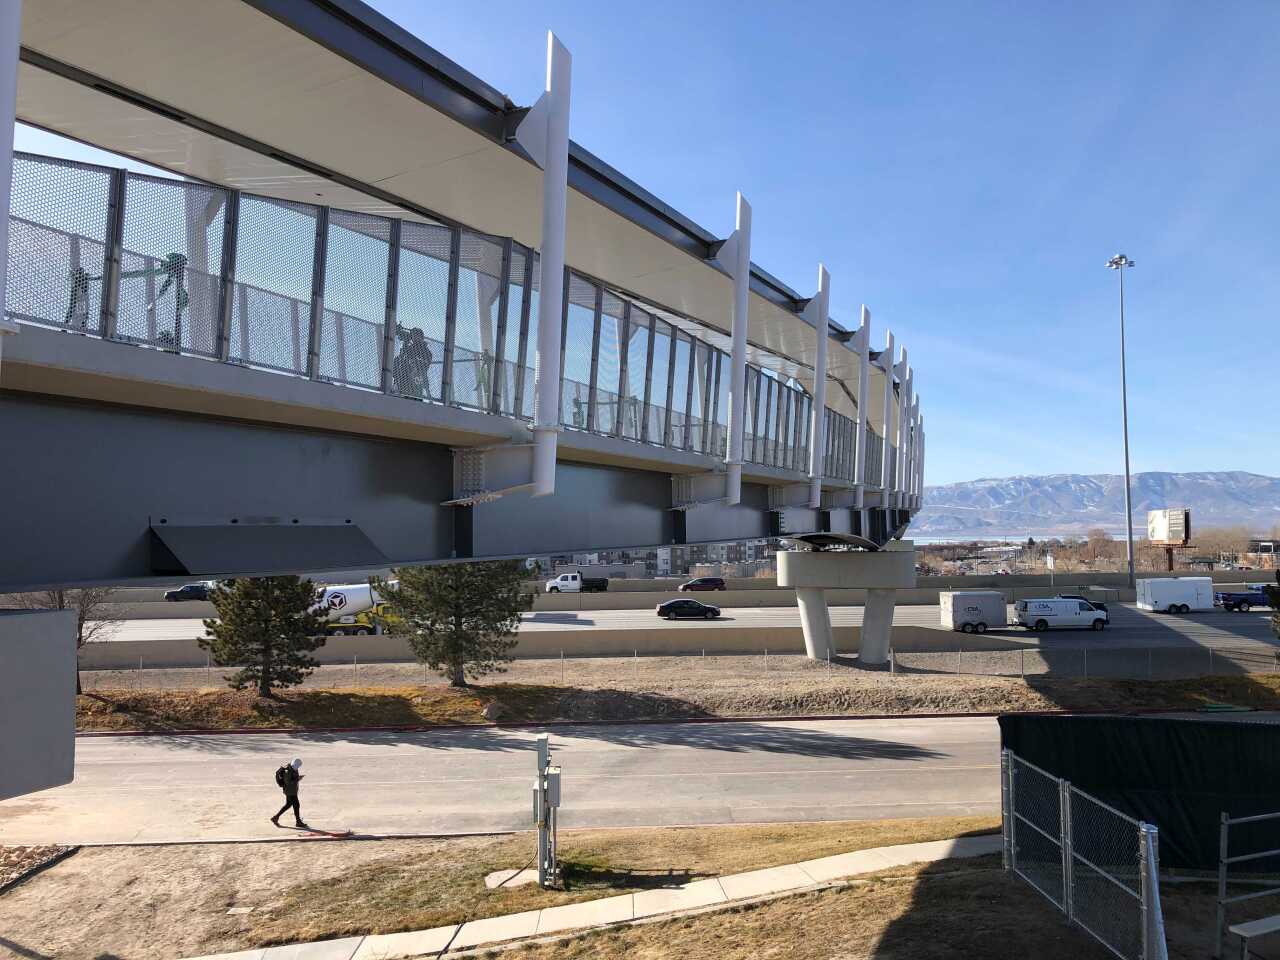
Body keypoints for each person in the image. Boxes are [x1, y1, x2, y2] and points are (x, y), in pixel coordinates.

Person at [271, 757, 306, 828]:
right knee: (296, 805)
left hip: (291, 790)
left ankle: (275, 817)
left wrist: (297, 778)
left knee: (288, 805)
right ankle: (298, 822)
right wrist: (298, 779)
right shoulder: (288, 771)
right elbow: (288, 782)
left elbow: (292, 779)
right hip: (290, 791)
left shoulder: (292, 768)